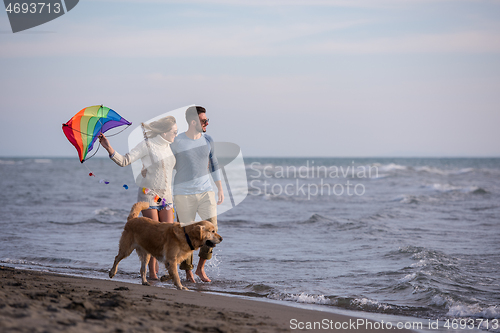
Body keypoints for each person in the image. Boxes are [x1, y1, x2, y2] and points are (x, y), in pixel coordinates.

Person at [98, 116, 177, 280]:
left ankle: (168, 270)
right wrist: (109, 148)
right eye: (174, 132)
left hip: (166, 198)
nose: (175, 135)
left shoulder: (169, 146)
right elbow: (124, 161)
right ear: (164, 131)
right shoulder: (147, 145)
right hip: (148, 196)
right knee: (154, 237)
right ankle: (152, 274)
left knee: (169, 236)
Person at [170, 106, 224, 283]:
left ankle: (201, 268)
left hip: (206, 192)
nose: (207, 123)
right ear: (194, 122)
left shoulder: (208, 140)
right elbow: (168, 163)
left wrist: (220, 189)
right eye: (204, 121)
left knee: (212, 230)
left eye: (207, 120)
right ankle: (188, 272)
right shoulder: (177, 141)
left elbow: (214, 164)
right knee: (186, 235)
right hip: (183, 194)